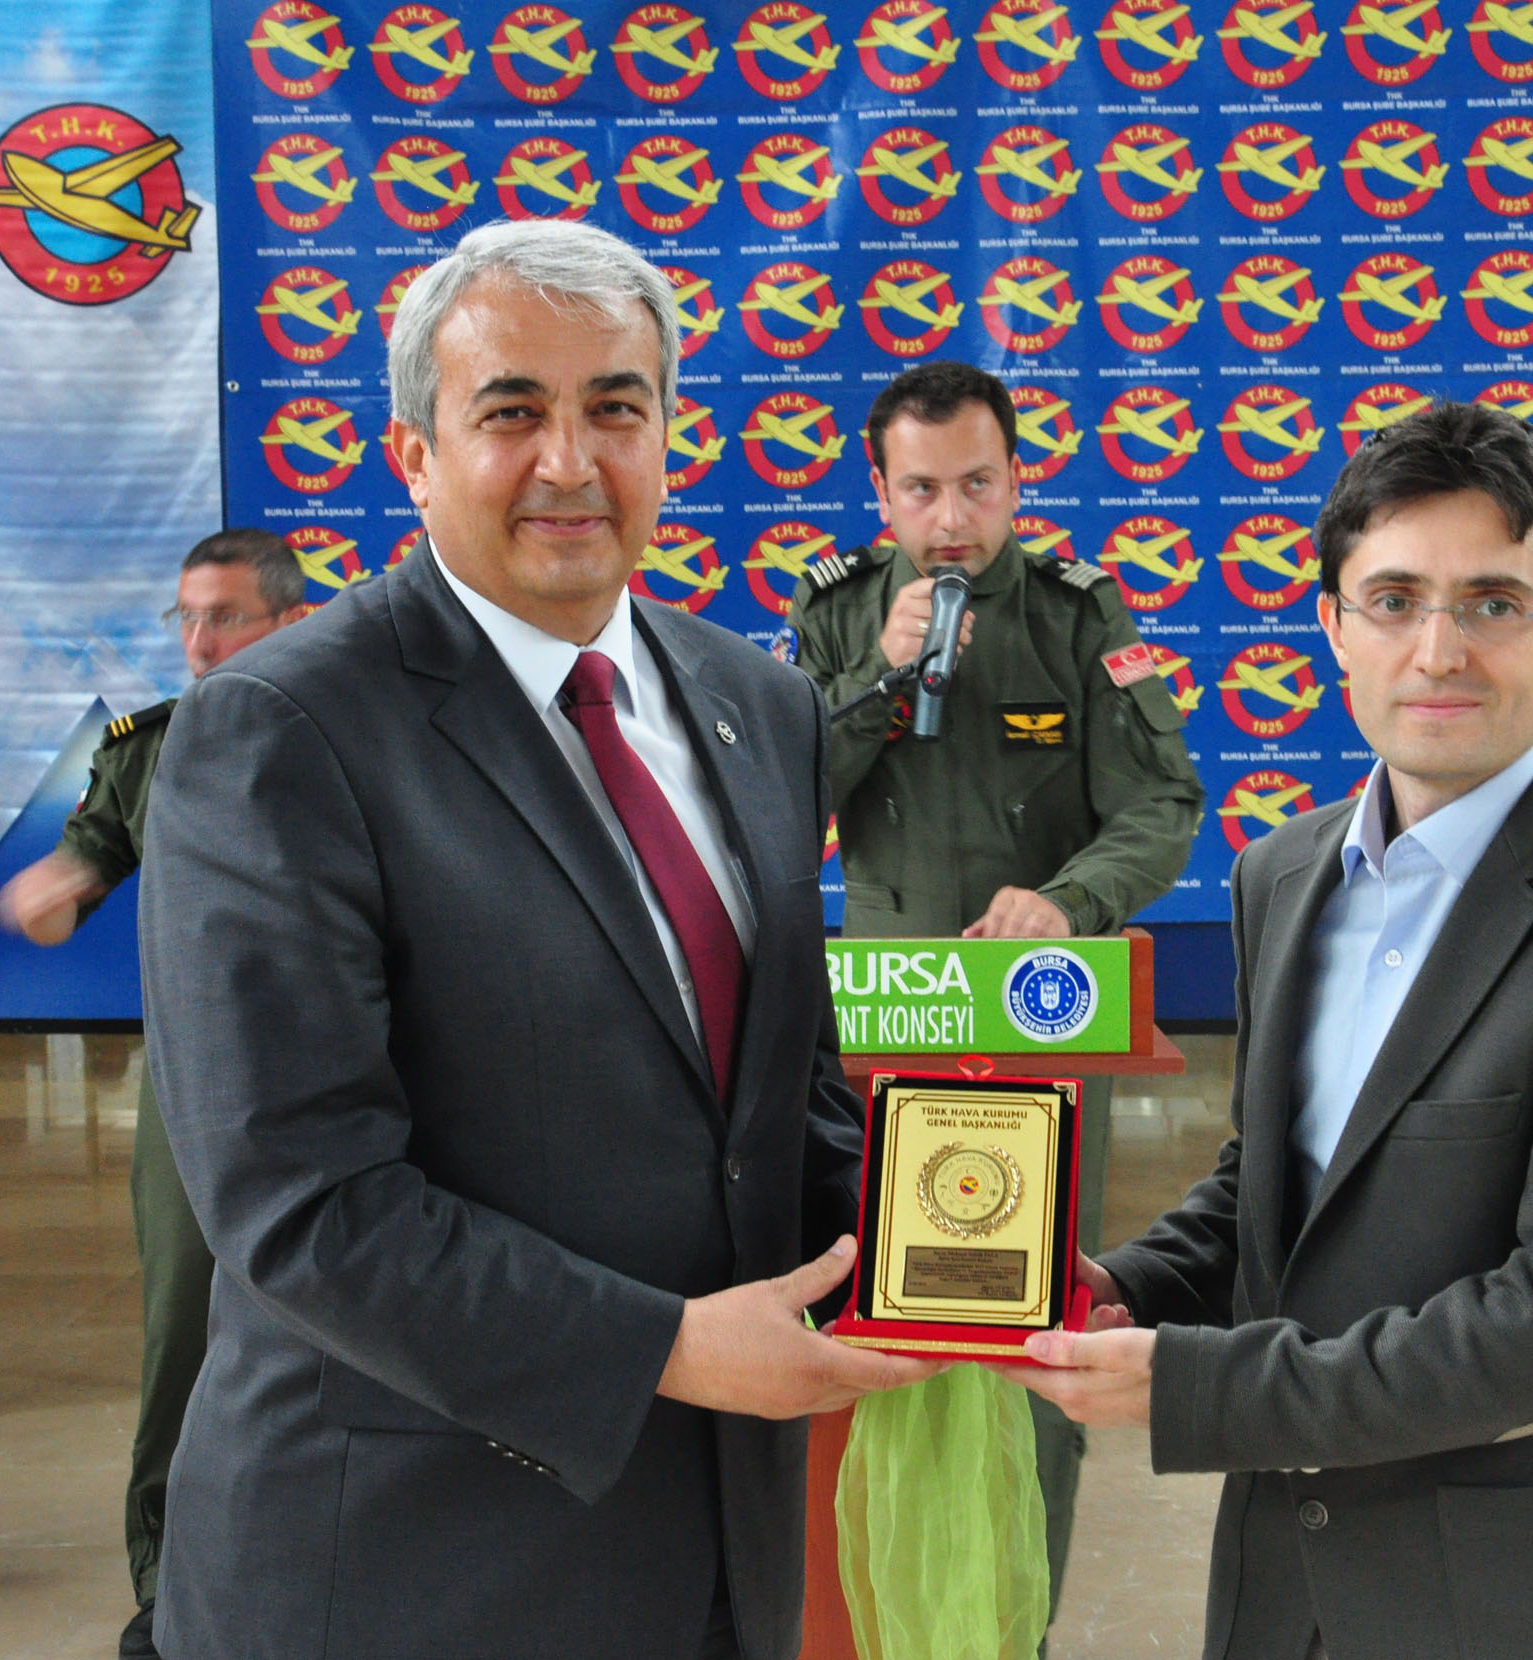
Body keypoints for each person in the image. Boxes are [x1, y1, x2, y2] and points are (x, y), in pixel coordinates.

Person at [135, 216, 935, 1660]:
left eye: (615, 409)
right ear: (415, 455)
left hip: (717, 1556)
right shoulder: (282, 731)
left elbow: (779, 1099)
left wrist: (962, 1250)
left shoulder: (760, 707)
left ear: (669, 438)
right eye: (511, 412)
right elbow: (300, 1200)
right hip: (411, 1571)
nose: (570, 462)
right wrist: (669, 1349)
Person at [1004, 402, 1533, 1660]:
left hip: (1515, 1605)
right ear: (1333, 627)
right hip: (1280, 1592)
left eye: (1494, 603)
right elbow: (1275, 1185)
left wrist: (1195, 1388)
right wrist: (1117, 1287)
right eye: (1394, 599)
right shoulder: (1279, 876)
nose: (1437, 650)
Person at [787, 359, 1202, 1617]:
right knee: (874, 1330)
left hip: (1035, 1024)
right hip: (879, 1031)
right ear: (881, 494)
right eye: (921, 490)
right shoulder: (838, 614)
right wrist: (878, 680)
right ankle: (879, 1617)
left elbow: (1161, 804)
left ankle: (1011, 1622)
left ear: (1017, 479)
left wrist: (1065, 901)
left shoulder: (1079, 615)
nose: (952, 518)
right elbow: (779, 799)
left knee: (1028, 1342)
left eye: (977, 484)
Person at [0, 527, 310, 1660]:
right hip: (197, 1090)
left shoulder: (361, 736)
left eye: (224, 617)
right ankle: (169, 1582)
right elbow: (87, 860)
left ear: (292, 623)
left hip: (349, 1080)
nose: (199, 640)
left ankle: (328, 1570)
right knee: (184, 1333)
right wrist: (59, 890)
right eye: (187, 617)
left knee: (349, 1330)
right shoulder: (146, 749)